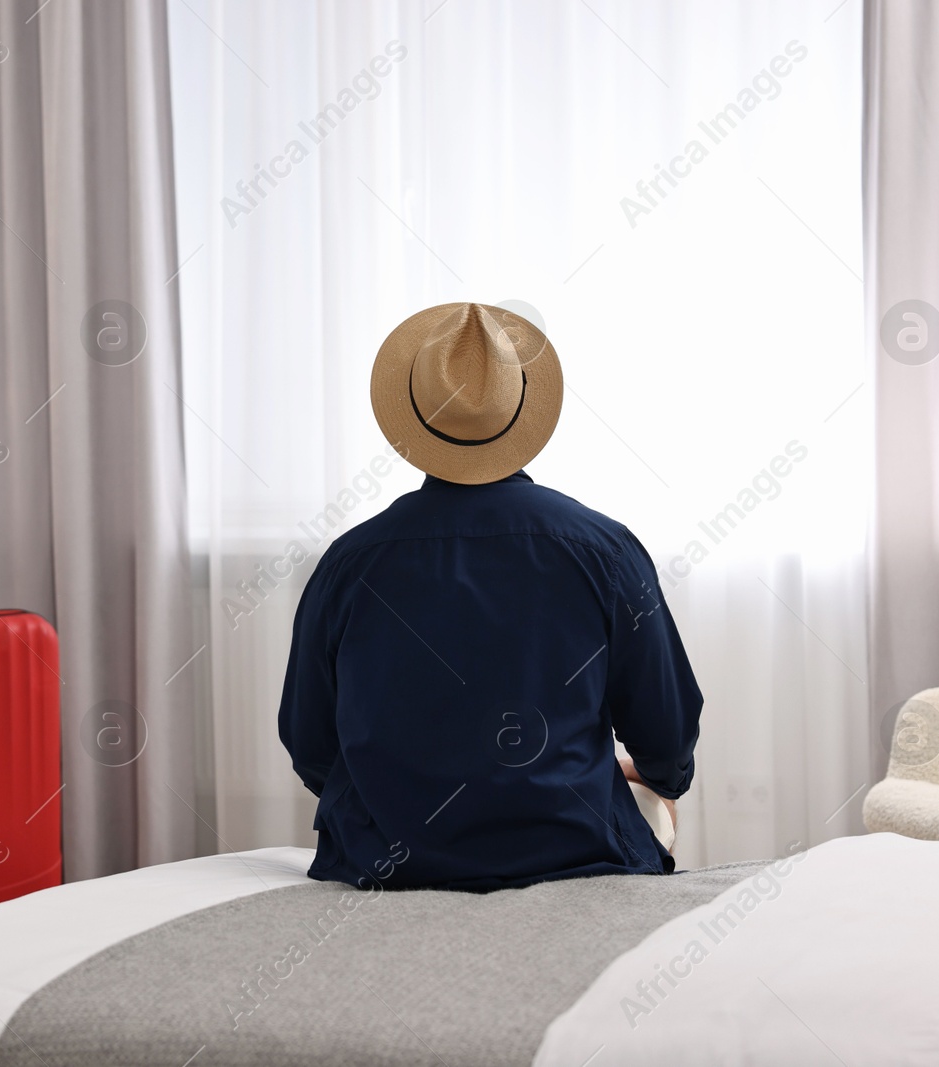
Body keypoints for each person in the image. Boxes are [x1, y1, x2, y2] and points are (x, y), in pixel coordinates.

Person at [277, 302, 702, 891]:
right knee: (658, 802)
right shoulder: (605, 549)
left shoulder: (350, 562)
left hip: (386, 860)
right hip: (574, 848)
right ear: (523, 417)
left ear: (416, 418)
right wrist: (656, 777)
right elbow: (667, 732)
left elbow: (310, 744)